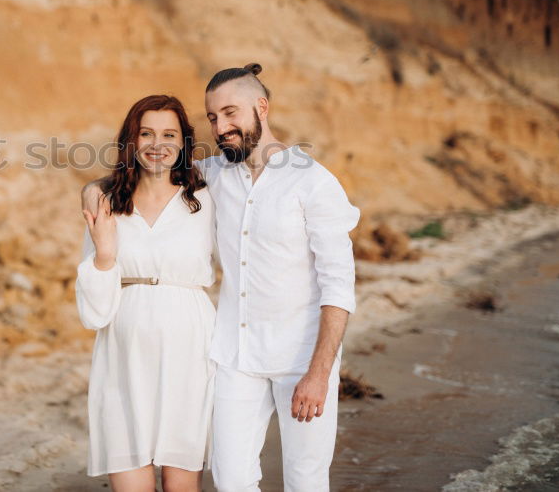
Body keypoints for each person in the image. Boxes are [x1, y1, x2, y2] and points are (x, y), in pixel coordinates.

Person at [198, 63, 361, 491]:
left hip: (301, 359)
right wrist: (94, 188)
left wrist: (319, 373)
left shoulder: (314, 182)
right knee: (230, 478)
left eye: (231, 113)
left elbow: (339, 287)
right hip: (236, 356)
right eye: (213, 117)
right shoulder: (213, 174)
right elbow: (147, 176)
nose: (221, 126)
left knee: (305, 479)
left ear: (262, 107)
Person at [76, 93, 217, 492]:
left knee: (182, 484)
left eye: (170, 134)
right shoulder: (106, 202)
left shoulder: (206, 198)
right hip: (124, 354)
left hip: (191, 349)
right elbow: (94, 314)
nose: (158, 144)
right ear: (132, 141)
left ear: (184, 143)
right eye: (147, 133)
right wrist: (105, 253)